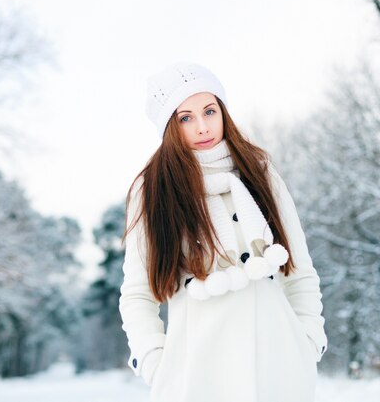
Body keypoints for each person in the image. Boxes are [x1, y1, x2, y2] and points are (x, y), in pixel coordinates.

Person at [118, 61, 328, 402]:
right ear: (169, 126)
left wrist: (309, 342)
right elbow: (138, 294)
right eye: (185, 117)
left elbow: (299, 270)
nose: (202, 126)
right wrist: (157, 364)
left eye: (209, 111)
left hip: (280, 369)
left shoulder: (259, 171)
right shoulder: (154, 188)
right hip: (197, 377)